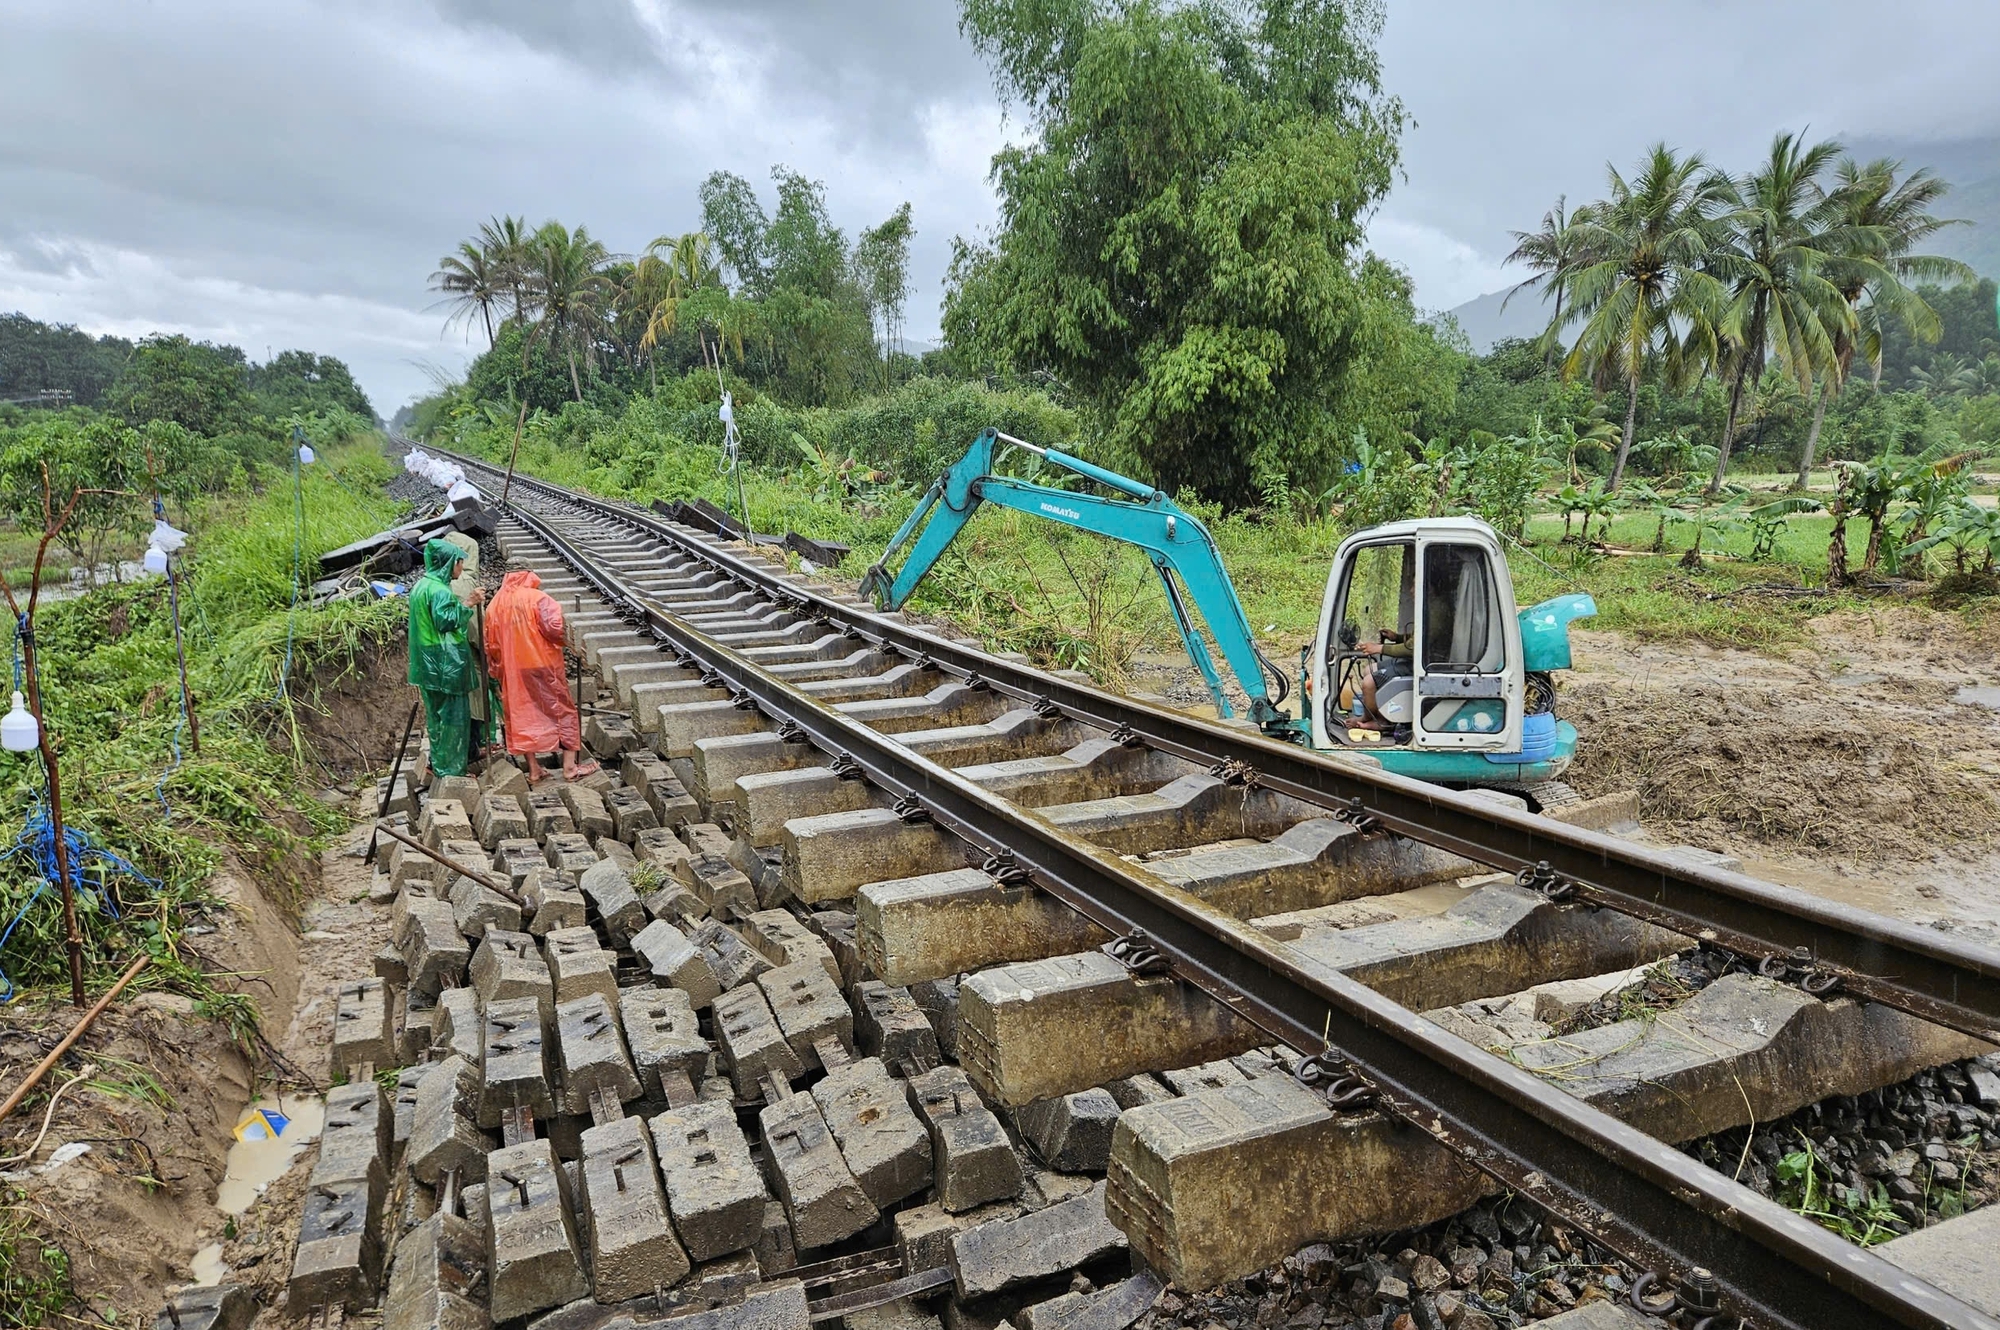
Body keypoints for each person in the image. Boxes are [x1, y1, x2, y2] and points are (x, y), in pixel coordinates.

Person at [485, 568, 598, 783]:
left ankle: (534, 769)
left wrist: (497, 671)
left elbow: (491, 645)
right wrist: (573, 641)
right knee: (563, 711)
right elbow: (554, 630)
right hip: (541, 664)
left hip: (513, 669)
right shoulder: (538, 598)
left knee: (522, 715)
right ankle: (570, 767)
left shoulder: (494, 605)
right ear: (529, 574)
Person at [408, 539, 483, 777]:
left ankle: (439, 765)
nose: (461, 568)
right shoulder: (440, 591)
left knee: (437, 718)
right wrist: (468, 603)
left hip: (426, 662)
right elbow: (445, 621)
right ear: (449, 563)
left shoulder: (422, 585)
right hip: (445, 664)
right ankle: (452, 771)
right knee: (454, 719)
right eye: (459, 563)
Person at [1355, 622, 1413, 728]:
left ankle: (1379, 722)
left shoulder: (1435, 613)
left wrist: (1379, 648)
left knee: (1368, 682)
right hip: (1410, 661)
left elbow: (1411, 648)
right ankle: (1373, 716)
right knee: (1369, 669)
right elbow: (1416, 638)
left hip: (1419, 665)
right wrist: (1396, 637)